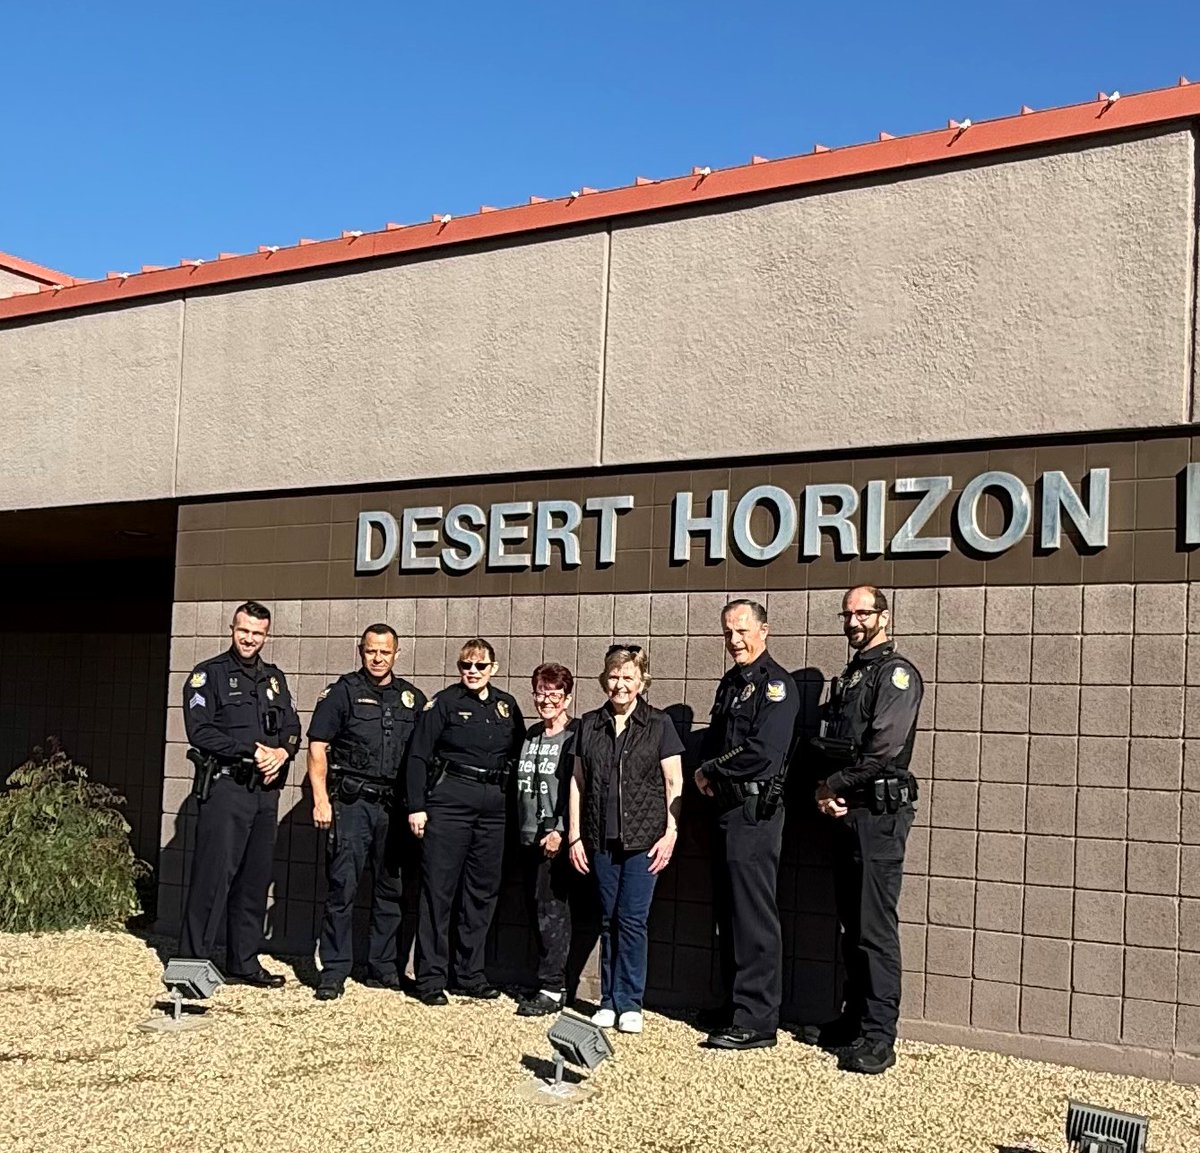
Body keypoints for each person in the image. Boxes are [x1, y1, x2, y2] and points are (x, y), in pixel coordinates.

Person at [812, 585, 923, 1075]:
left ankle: (879, 1036)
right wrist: (831, 791)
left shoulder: (895, 674)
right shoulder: (853, 676)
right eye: (848, 613)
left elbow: (882, 749)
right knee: (852, 923)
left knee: (875, 929)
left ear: (884, 616)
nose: (854, 620)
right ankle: (853, 1020)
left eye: (864, 612)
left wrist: (831, 784)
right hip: (848, 811)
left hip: (878, 818)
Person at [693, 599, 799, 1050]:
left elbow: (762, 752)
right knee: (730, 913)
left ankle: (757, 1019)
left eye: (742, 631)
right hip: (727, 812)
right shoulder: (733, 684)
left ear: (764, 631)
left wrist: (709, 770)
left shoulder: (777, 686)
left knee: (753, 915)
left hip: (755, 814)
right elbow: (720, 739)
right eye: (727, 633)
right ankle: (736, 1004)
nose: (734, 640)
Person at [179, 601, 300, 987]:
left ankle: (243, 962)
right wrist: (252, 751)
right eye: (243, 630)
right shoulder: (208, 675)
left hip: (265, 794)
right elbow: (201, 732)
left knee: (253, 880)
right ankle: (190, 971)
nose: (249, 639)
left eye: (258, 633)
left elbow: (292, 724)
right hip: (227, 788)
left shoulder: (274, 678)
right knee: (212, 880)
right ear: (232, 629)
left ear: (267, 635)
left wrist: (284, 751)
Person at [306, 624, 426, 1001]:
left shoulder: (411, 698)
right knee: (343, 887)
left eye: (385, 652)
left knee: (390, 889)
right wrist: (321, 800)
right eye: (371, 651)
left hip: (392, 807)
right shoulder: (342, 693)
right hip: (352, 804)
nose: (377, 658)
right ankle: (335, 970)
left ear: (396, 654)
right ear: (361, 651)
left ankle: (383, 968)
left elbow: (423, 755)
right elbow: (317, 747)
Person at [569, 645, 683, 1035]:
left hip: (644, 840)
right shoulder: (589, 724)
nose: (620, 685)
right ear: (605, 679)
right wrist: (574, 835)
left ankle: (630, 1002)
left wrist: (671, 832)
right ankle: (607, 1000)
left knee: (632, 920)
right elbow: (577, 782)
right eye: (614, 677)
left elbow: (674, 782)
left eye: (628, 677)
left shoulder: (659, 724)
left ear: (641, 682)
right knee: (607, 919)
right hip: (601, 838)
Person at [406, 638, 526, 1005]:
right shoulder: (443, 703)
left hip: (494, 809)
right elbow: (417, 757)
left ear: (494, 668)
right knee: (438, 892)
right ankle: (430, 978)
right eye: (466, 666)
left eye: (480, 666)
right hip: (449, 802)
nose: (472, 672)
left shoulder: (507, 706)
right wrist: (416, 806)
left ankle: (469, 974)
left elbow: (520, 755)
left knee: (481, 892)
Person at [513, 662, 580, 1017]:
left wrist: (560, 829)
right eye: (541, 692)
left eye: (555, 693)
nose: (547, 700)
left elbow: (578, 789)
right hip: (527, 838)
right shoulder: (530, 735)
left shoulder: (575, 735)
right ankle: (546, 980)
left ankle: (554, 988)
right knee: (538, 910)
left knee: (553, 911)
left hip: (555, 840)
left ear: (567, 697)